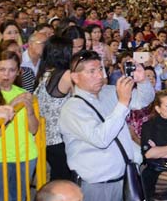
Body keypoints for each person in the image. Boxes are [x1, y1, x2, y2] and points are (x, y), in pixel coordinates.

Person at [58, 50, 154, 201]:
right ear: (75, 77)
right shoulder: (72, 108)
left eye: (100, 69)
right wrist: (122, 103)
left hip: (123, 178)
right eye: (91, 71)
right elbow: (101, 139)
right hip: (97, 186)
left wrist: (142, 82)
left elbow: (143, 100)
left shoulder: (109, 92)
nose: (99, 76)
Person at [0, 50, 39, 201]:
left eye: (11, 70)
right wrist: (13, 104)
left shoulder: (23, 92)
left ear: (18, 72)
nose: (6, 74)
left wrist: (29, 110)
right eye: (2, 69)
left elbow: (34, 129)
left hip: (26, 156)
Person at [34, 36, 74, 181]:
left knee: (57, 177)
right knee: (64, 180)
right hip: (60, 138)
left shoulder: (44, 73)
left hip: (45, 138)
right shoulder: (67, 75)